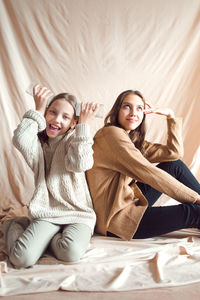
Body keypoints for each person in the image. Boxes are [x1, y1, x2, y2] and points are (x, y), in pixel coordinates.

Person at [3, 85, 98, 267]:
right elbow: (19, 139)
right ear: (45, 115)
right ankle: (14, 224)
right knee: (20, 259)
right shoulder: (37, 145)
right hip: (47, 212)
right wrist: (38, 109)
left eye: (65, 117)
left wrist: (84, 126)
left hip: (78, 213)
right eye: (52, 112)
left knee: (70, 252)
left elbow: (81, 164)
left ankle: (46, 241)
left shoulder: (75, 140)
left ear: (73, 123)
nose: (56, 120)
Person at [86, 89, 200, 241]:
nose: (134, 113)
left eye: (139, 108)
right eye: (127, 106)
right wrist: (195, 198)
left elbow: (173, 154)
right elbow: (146, 172)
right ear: (117, 110)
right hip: (116, 219)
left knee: (174, 165)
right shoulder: (111, 134)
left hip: (130, 203)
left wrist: (170, 116)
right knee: (195, 212)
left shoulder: (130, 139)